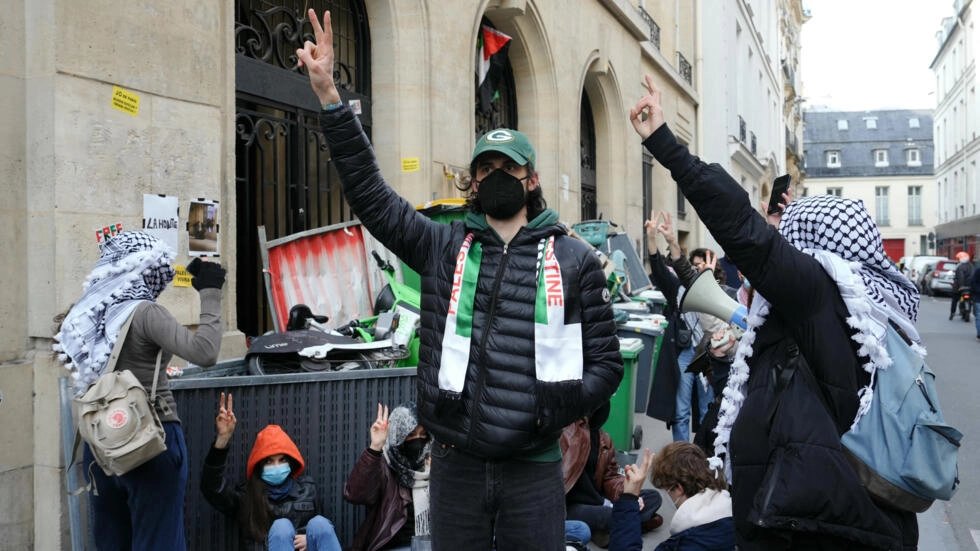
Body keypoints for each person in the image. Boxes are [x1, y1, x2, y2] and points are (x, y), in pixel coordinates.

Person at [297, 11, 623, 550]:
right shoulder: (442, 246)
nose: (497, 178)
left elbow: (607, 364)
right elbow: (373, 198)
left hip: (534, 470)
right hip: (455, 466)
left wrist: (553, 410)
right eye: (486, 169)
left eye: (508, 168)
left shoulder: (574, 259)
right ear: (473, 181)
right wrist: (331, 97)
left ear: (532, 178)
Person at [630, 75, 920, 549]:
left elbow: (748, 235)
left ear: (812, 248)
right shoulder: (870, 306)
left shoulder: (819, 294)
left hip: (811, 525)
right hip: (843, 517)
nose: (782, 245)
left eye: (790, 237)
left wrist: (667, 145)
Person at [54, 231, 224, 550]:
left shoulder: (89, 314)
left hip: (103, 444)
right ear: (144, 268)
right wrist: (211, 291)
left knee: (111, 541)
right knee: (159, 541)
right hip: (150, 438)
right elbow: (205, 352)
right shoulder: (145, 312)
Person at [201, 393, 342, 551]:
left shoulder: (307, 490)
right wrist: (222, 440)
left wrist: (309, 540)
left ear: (291, 462)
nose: (276, 466)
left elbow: (322, 535)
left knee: (321, 524)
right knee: (281, 528)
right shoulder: (246, 496)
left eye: (282, 460)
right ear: (259, 466)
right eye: (269, 461)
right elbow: (212, 488)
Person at [647, 212, 719, 441]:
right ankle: (682, 457)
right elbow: (659, 268)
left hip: (709, 354)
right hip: (685, 354)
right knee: (681, 411)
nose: (698, 269)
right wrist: (653, 239)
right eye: (694, 265)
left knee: (709, 408)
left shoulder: (719, 293)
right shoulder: (678, 289)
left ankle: (705, 456)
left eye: (702, 266)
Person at [561, 403, 663, 547]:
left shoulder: (604, 439)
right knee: (611, 515)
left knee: (653, 497)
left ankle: (605, 530)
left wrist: (627, 492)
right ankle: (618, 525)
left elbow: (611, 477)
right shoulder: (566, 433)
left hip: (601, 500)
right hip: (571, 506)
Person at [609, 444, 735, 551]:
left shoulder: (684, 543)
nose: (668, 494)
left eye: (667, 489)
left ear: (679, 488)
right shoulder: (735, 519)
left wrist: (629, 497)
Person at [344, 402, 432, 551]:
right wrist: (375, 448)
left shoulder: (433, 464)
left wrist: (439, 476)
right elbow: (355, 495)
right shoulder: (384, 465)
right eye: (410, 435)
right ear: (397, 435)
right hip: (394, 546)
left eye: (422, 434)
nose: (418, 440)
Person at [951, 251, 974, 320]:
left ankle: (952, 313)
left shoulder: (959, 267)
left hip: (960, 287)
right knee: (972, 300)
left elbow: (961, 277)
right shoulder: (971, 266)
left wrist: (961, 286)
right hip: (970, 287)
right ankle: (970, 310)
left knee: (955, 300)